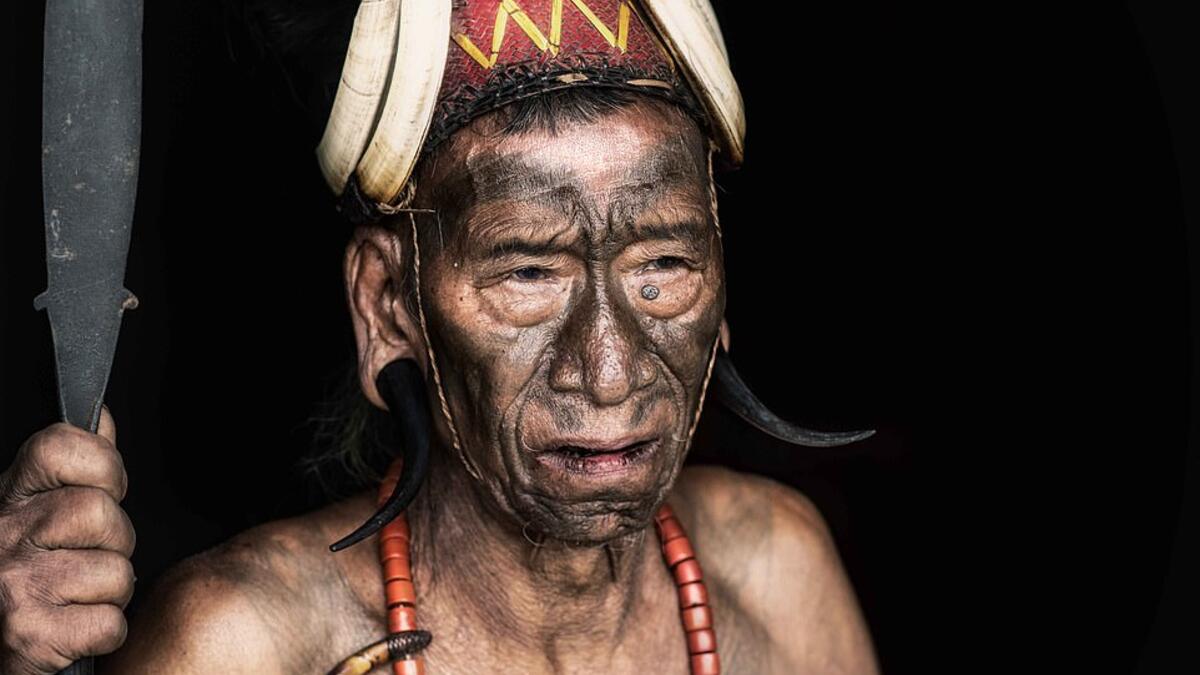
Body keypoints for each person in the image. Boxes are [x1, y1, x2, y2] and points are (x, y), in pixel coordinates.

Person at [0, 1, 879, 672]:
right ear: (390, 305)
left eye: (664, 264)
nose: (610, 372)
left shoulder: (776, 574)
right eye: (529, 273)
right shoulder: (248, 643)